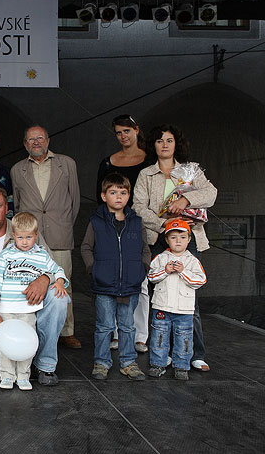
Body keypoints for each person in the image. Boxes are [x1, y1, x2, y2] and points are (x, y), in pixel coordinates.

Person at [0, 185, 69, 386]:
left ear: (6, 207)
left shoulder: (25, 230)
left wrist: (44, 279)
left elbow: (50, 263)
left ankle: (43, 364)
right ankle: (0, 357)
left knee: (59, 299)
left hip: (28, 298)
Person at [133, 124, 217, 372]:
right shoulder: (146, 175)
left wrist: (186, 199)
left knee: (190, 298)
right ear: (153, 146)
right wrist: (163, 224)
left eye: (169, 140)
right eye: (159, 141)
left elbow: (211, 193)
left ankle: (195, 354)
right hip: (159, 237)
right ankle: (165, 352)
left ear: (176, 144)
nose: (165, 145)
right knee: (161, 298)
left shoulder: (189, 171)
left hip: (188, 239)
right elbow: (138, 207)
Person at [10, 125, 81, 349]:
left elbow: (75, 201)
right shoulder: (17, 169)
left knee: (62, 283)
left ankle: (67, 332)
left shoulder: (67, 164)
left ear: (48, 140)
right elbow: (18, 205)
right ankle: (35, 329)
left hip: (60, 232)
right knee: (29, 282)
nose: (36, 142)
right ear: (25, 144)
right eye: (31, 139)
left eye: (40, 138)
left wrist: (64, 224)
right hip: (30, 238)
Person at [0, 212, 68, 391]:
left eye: (29, 237)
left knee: (27, 341)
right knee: (7, 340)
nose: (24, 242)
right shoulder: (6, 256)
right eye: (20, 237)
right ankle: (6, 375)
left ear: (36, 236)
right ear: (13, 235)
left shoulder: (42, 256)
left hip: (29, 308)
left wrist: (60, 281)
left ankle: (23, 375)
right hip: (7, 307)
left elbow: (57, 269)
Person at [81, 173, 150, 381]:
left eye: (123, 192)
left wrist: (142, 269)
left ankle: (128, 363)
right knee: (104, 326)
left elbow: (145, 249)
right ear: (103, 196)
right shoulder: (96, 222)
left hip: (130, 285)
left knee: (128, 326)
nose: (118, 197)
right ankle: (101, 362)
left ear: (128, 196)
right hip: (104, 286)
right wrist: (94, 269)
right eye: (112, 192)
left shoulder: (137, 222)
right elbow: (85, 247)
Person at [96, 115, 151, 353]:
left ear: (137, 130)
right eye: (118, 132)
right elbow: (99, 193)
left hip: (139, 222)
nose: (123, 136)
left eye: (127, 130)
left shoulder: (150, 161)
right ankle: (118, 333)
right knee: (114, 282)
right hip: (113, 224)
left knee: (140, 283)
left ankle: (139, 335)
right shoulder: (108, 162)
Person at [147, 219, 207, 381]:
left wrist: (183, 272)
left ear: (189, 239)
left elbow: (200, 281)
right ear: (167, 240)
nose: (178, 241)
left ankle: (182, 366)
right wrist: (165, 271)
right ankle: (158, 364)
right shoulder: (160, 258)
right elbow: (151, 277)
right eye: (173, 237)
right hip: (162, 307)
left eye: (182, 237)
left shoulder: (192, 260)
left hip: (184, 309)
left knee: (184, 338)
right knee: (159, 337)